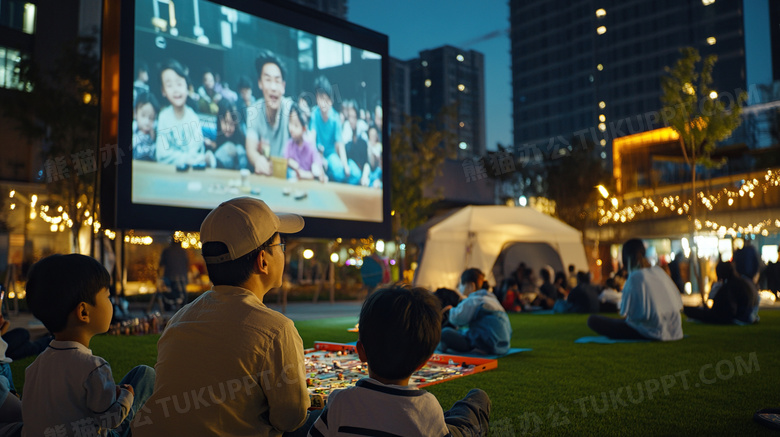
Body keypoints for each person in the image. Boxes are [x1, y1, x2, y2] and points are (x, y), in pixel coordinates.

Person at [133, 197, 316, 436]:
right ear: (263, 261)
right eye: (280, 246)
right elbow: (290, 418)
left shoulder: (179, 319)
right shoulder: (276, 330)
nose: (283, 253)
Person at [308, 286, 491, 436]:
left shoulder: (339, 401)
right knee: (476, 400)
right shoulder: (428, 407)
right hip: (431, 424)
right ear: (424, 362)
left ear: (361, 352)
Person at [23, 254, 155, 437]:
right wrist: (128, 396)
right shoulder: (93, 368)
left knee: (137, 374)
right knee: (146, 375)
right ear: (84, 311)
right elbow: (110, 420)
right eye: (107, 296)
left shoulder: (35, 367)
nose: (111, 304)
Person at [587, 239, 684, 341]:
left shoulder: (635, 276)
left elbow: (629, 315)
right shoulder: (659, 271)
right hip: (674, 331)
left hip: (649, 331)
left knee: (592, 320)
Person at [439, 271, 512, 355]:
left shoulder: (474, 300)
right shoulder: (492, 299)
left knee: (445, 332)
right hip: (502, 346)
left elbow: (457, 319)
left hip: (486, 345)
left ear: (471, 286)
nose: (460, 288)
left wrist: (451, 310)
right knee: (464, 331)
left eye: (461, 285)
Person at [246, 50, 294, 175]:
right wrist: (257, 159)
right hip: (264, 173)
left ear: (283, 86)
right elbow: (251, 149)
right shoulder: (253, 111)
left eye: (277, 81)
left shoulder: (291, 109)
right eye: (268, 80)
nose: (273, 87)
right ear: (260, 83)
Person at [155, 59, 206, 166]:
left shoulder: (193, 118)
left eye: (179, 84)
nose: (175, 90)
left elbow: (196, 154)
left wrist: (178, 158)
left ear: (188, 87)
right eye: (169, 85)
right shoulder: (163, 117)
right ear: (163, 91)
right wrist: (186, 159)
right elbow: (161, 155)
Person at [683, 261, 758, 324]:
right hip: (746, 315)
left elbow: (723, 310)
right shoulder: (742, 282)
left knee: (695, 312)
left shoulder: (729, 286)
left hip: (738, 316)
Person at [309, 75, 349, 183]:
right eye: (320, 98)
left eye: (326, 99)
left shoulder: (335, 118)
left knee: (339, 173)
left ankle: (328, 173)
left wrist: (345, 165)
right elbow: (312, 139)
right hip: (317, 153)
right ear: (316, 98)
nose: (323, 103)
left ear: (331, 100)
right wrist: (317, 159)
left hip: (331, 154)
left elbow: (340, 144)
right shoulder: (314, 114)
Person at [283, 102, 325, 182]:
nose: (291, 128)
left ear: (304, 129)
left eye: (296, 125)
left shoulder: (310, 146)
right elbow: (284, 160)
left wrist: (316, 172)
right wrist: (289, 162)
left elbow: (318, 165)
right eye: (290, 123)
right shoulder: (289, 145)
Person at [205, 99, 248, 170]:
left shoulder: (240, 146)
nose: (228, 128)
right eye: (225, 122)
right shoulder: (219, 137)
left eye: (231, 124)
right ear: (219, 122)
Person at [157, 236, 190, 312]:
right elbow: (187, 263)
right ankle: (182, 311)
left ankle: (169, 309)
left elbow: (161, 264)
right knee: (182, 296)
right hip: (181, 277)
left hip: (169, 276)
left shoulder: (167, 251)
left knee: (169, 294)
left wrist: (159, 277)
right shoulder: (183, 251)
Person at [132, 91, 158, 161]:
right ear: (135, 113)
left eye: (151, 118)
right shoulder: (133, 129)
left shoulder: (154, 133)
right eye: (143, 115)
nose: (147, 122)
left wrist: (153, 138)